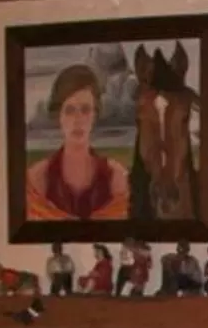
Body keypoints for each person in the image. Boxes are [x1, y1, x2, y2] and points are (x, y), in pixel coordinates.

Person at [23, 62, 130, 222]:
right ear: (58, 115)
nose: (78, 120)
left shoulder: (116, 178)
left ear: (95, 114)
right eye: (70, 110)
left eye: (85, 110)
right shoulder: (37, 179)